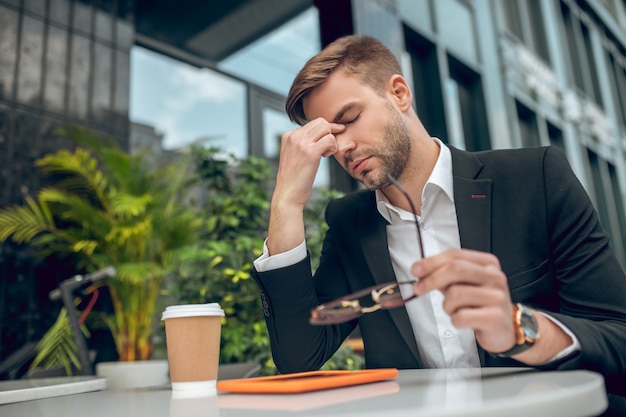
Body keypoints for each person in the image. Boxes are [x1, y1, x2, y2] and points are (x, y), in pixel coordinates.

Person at [251, 35, 626, 403]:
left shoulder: (534, 178)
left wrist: (519, 328)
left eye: (349, 118)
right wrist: (286, 201)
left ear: (399, 93)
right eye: (329, 140)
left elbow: (619, 338)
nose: (342, 147)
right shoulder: (350, 224)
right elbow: (299, 356)